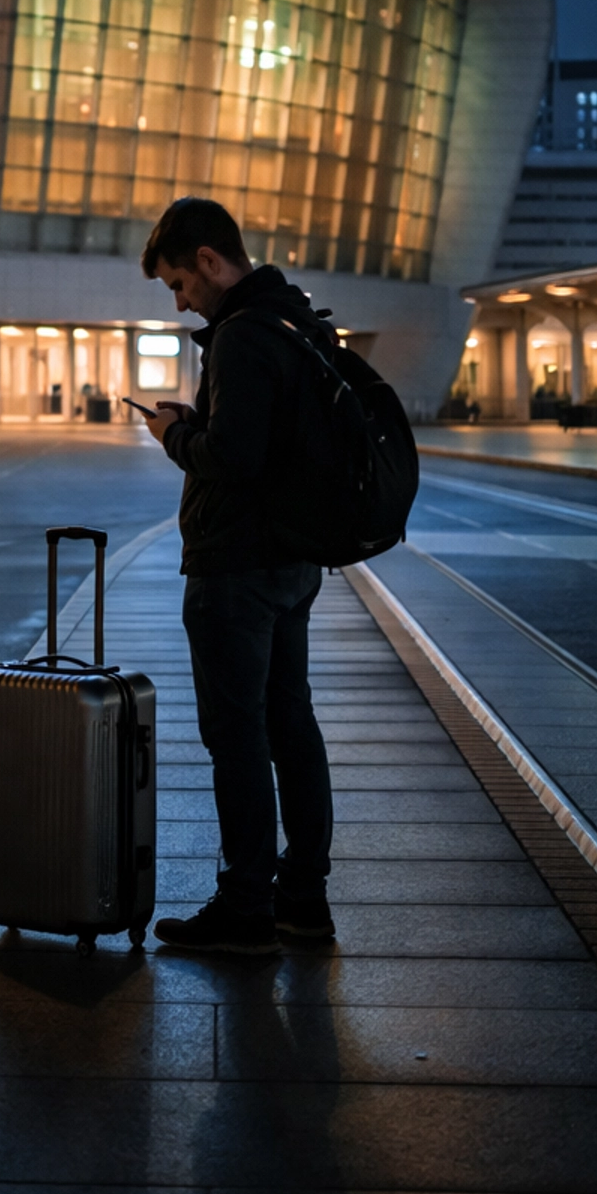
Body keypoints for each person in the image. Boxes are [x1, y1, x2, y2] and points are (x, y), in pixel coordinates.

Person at [137, 196, 335, 955]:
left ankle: (248, 908)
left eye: (180, 284)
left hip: (236, 570)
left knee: (239, 737)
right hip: (293, 563)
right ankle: (305, 899)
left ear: (212, 263)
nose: (181, 300)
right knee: (293, 725)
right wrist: (203, 421)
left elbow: (234, 460)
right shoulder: (297, 319)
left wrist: (175, 433)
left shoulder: (244, 336)